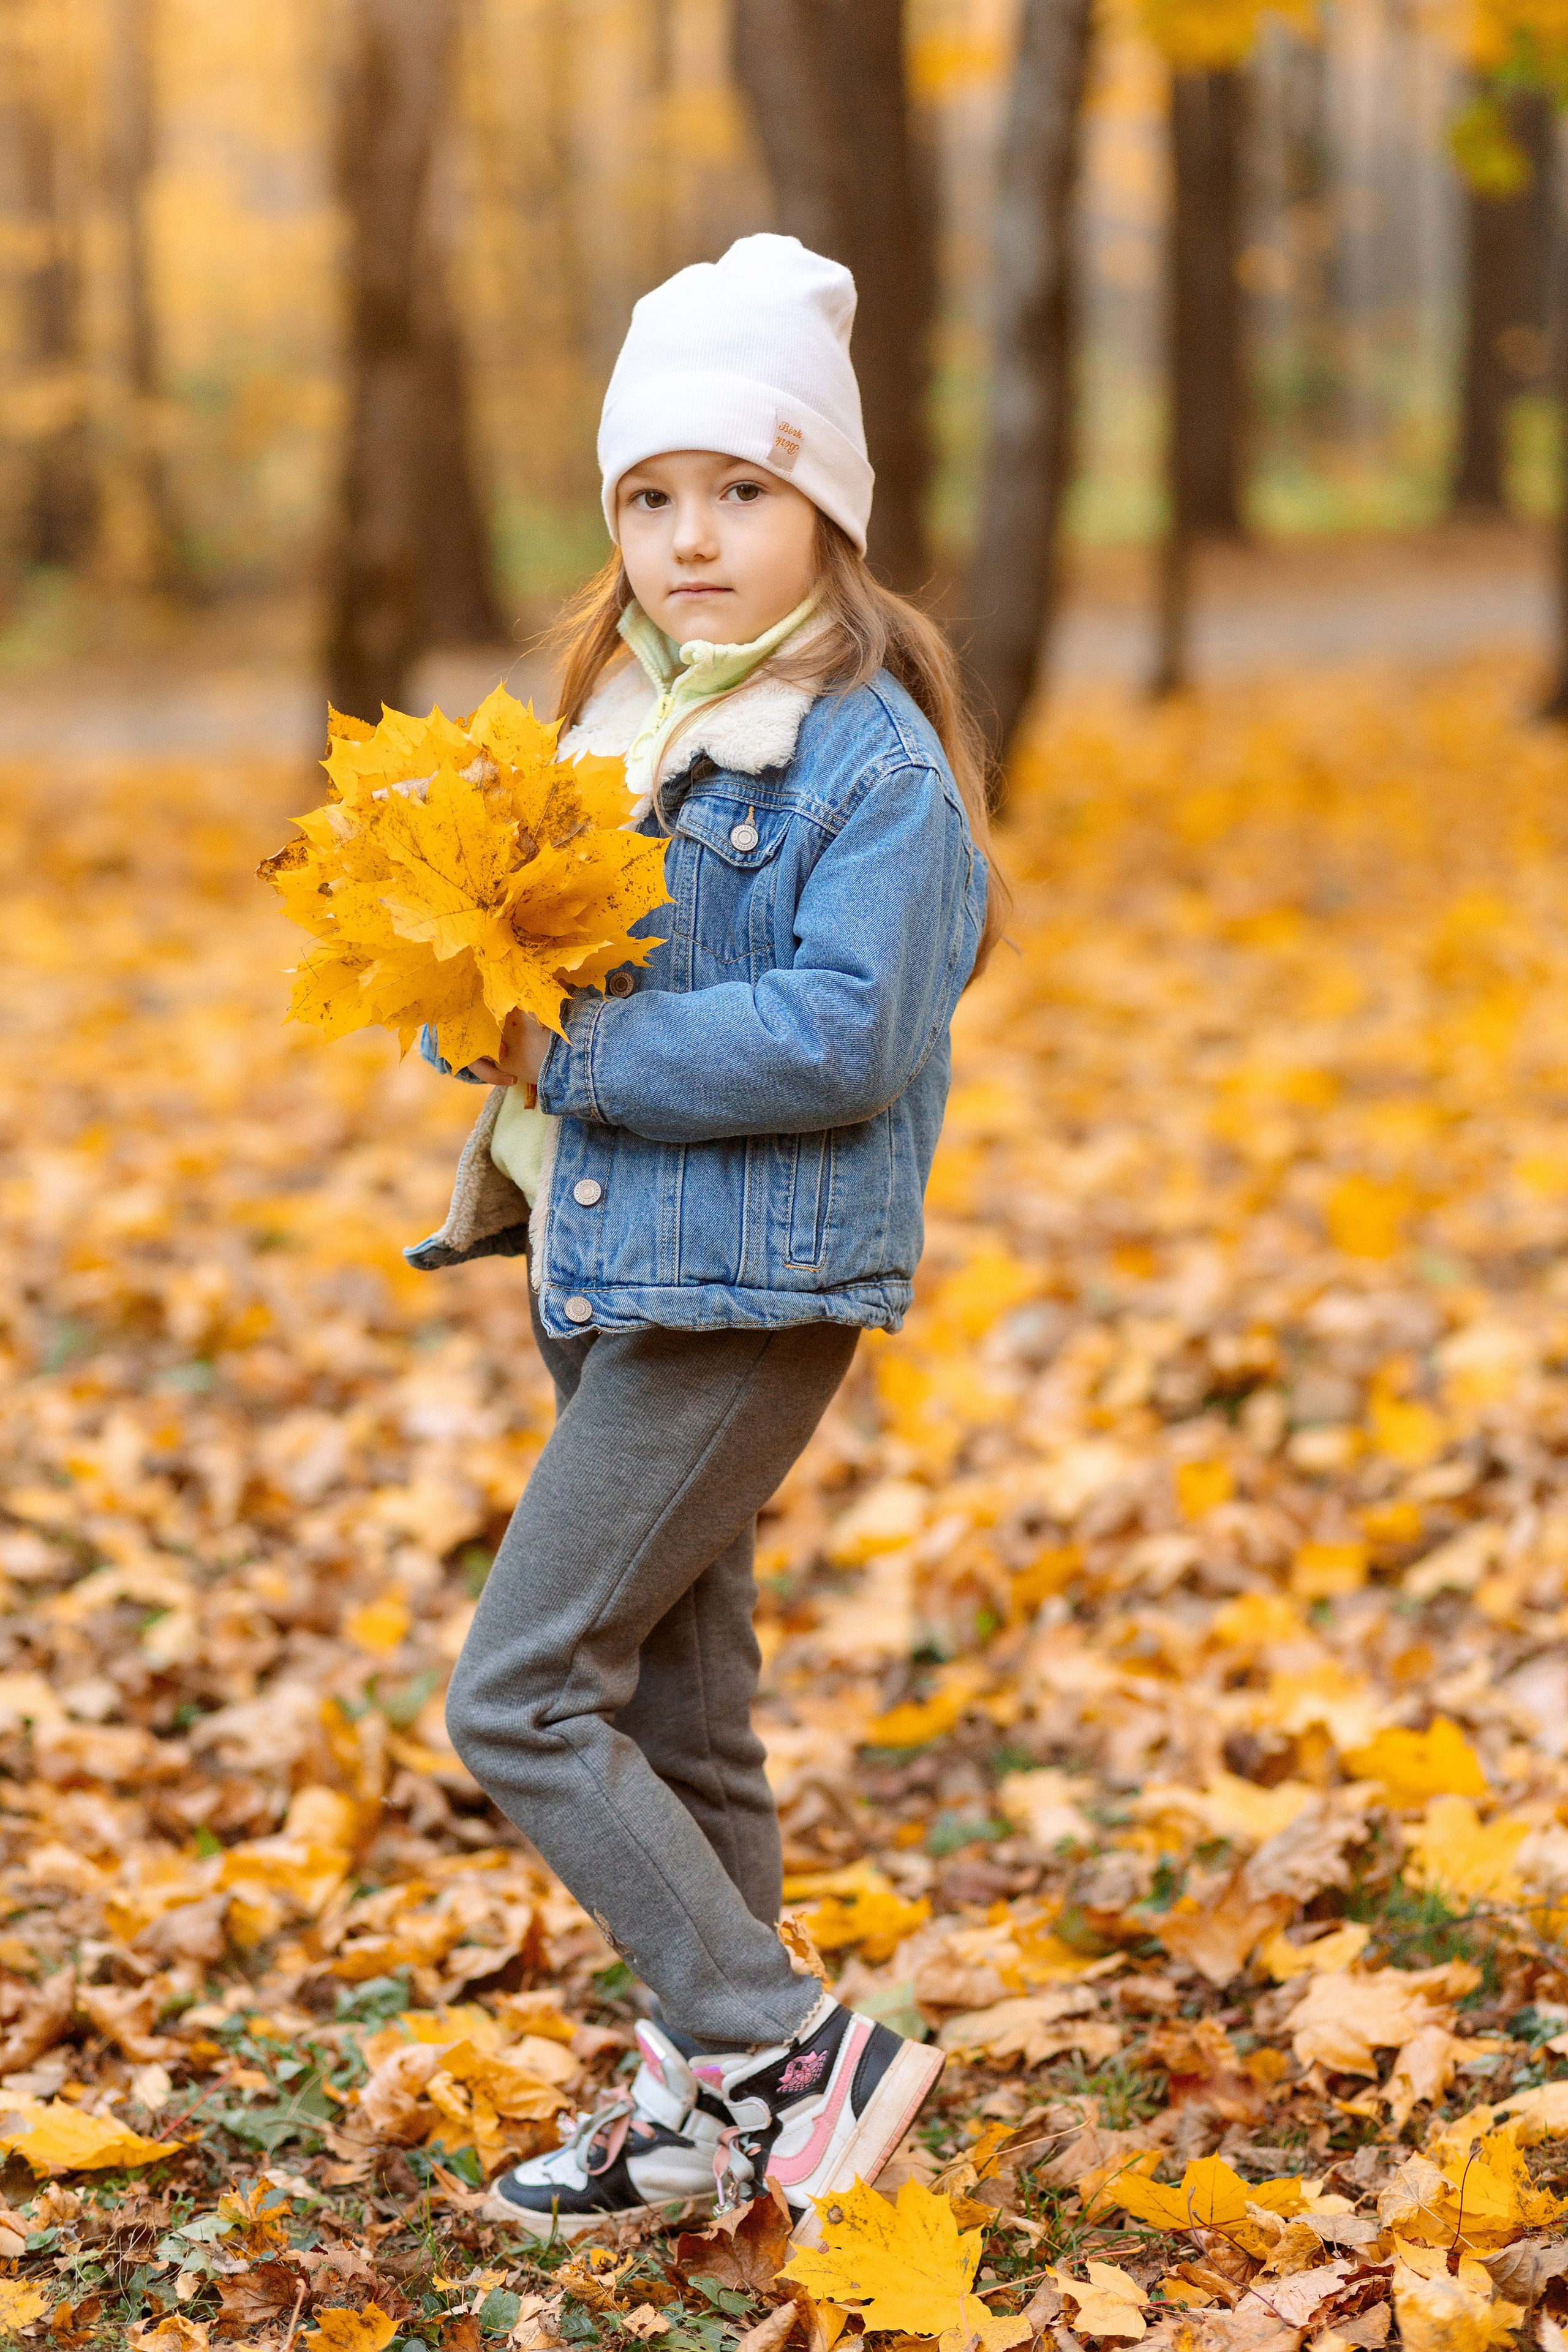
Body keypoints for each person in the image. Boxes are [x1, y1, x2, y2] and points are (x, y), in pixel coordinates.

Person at [409, 233, 1006, 2241]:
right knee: (676, 1710)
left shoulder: (872, 767)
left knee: (522, 1694)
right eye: (651, 500)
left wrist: (580, 1051)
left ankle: (786, 2046)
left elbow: (848, 1033)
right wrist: (468, 975)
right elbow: (536, 973)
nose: (690, 538)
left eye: (740, 492)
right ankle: (711, 2116)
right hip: (616, 1275)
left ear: (825, 510)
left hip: (748, 1295)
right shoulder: (617, 740)